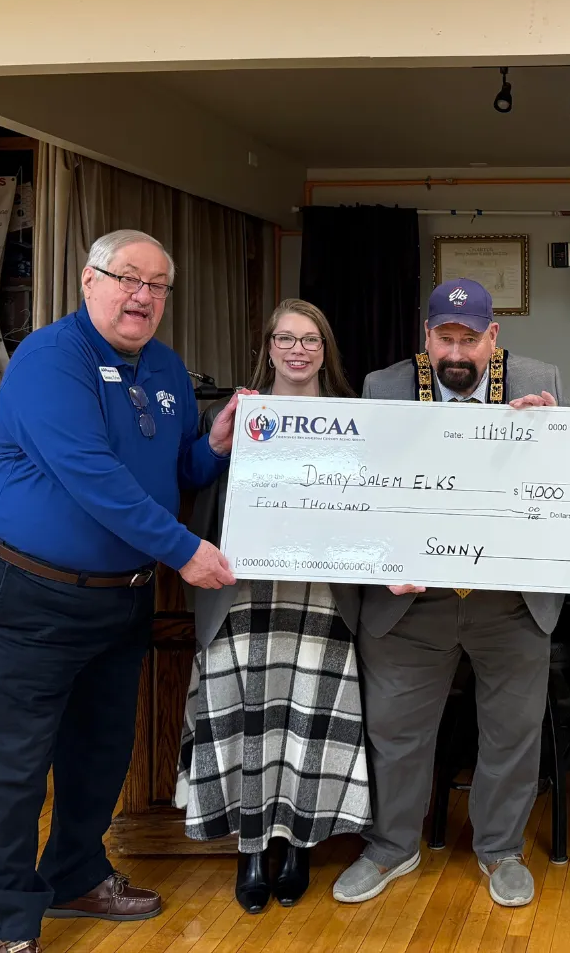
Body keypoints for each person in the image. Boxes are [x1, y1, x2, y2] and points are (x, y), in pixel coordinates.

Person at [0, 230, 239, 953]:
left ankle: (75, 874)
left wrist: (215, 445)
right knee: (9, 762)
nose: (142, 295)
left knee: (101, 752)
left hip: (118, 601)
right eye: (127, 278)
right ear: (89, 280)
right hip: (20, 592)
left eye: (157, 285)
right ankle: (9, 923)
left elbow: (176, 471)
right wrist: (184, 550)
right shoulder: (51, 358)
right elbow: (92, 474)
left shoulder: (166, 368)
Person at [331, 278, 564, 909]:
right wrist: (379, 558)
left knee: (512, 732)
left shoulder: (537, 380)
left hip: (507, 599)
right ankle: (391, 844)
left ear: (494, 335)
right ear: (426, 335)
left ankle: (501, 848)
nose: (456, 353)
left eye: (470, 339)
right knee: (395, 729)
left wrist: (551, 435)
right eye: (444, 338)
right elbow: (363, 485)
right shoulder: (384, 387)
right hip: (413, 600)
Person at [176, 298, 371, 914]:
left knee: (306, 719)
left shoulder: (357, 418)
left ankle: (298, 844)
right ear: (267, 347)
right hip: (244, 594)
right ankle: (251, 848)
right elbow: (196, 487)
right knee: (247, 716)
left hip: (320, 594)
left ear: (325, 350)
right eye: (285, 338)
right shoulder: (236, 414)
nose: (297, 350)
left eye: (310, 339)